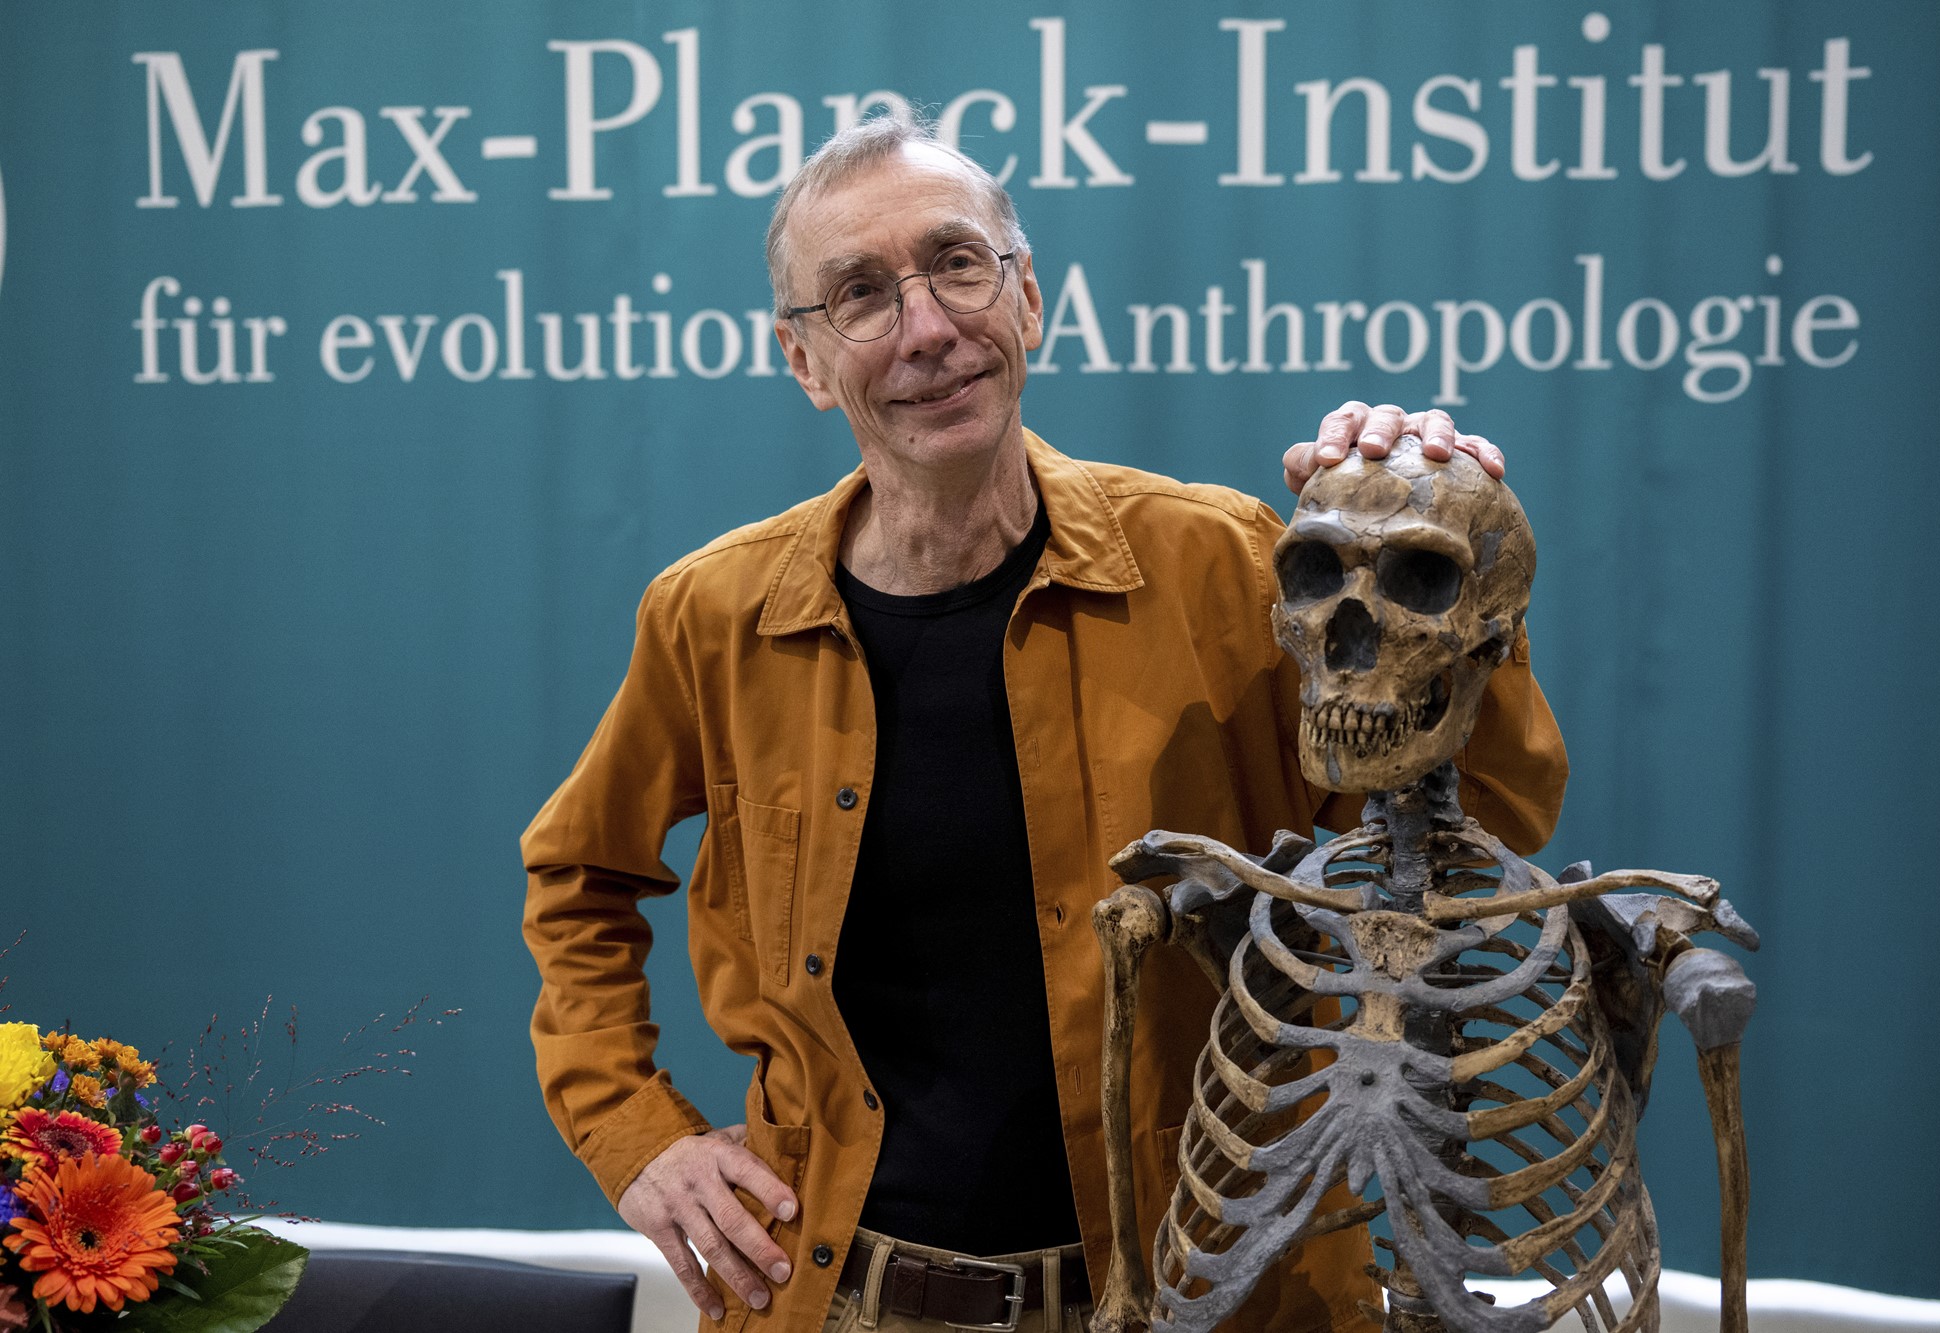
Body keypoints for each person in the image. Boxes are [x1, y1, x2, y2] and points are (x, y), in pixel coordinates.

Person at [522, 114, 1566, 1333]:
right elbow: (577, 876)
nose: (925, 328)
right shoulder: (716, 616)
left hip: (1205, 1296)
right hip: (836, 1299)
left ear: (1026, 299)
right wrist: (635, 1133)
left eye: (956, 265)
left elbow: (1482, 825)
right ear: (804, 363)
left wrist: (1452, 545)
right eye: (859, 295)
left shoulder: (1226, 564)